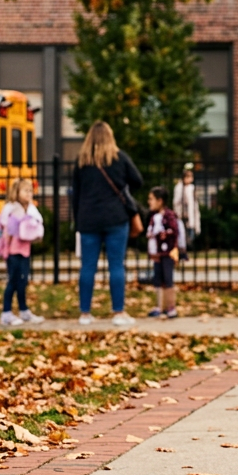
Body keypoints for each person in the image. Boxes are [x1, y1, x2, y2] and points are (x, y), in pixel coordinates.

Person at [71, 121, 144, 327]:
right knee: (116, 265)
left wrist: (78, 220)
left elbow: (75, 195)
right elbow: (138, 180)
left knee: (87, 267)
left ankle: (85, 313)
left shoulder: (81, 161)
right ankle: (118, 312)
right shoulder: (119, 158)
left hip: (88, 220)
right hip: (116, 218)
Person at [0, 178, 45, 326]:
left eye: (31, 191)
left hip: (25, 251)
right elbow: (7, 231)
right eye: (25, 190)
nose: (29, 194)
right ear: (16, 192)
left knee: (23, 282)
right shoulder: (11, 210)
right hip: (12, 251)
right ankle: (6, 313)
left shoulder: (31, 209)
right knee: (13, 281)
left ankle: (24, 310)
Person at [145, 186, 181, 319]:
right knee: (158, 280)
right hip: (157, 254)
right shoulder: (154, 217)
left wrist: (162, 235)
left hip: (167, 253)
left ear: (160, 201)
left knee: (168, 279)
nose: (149, 202)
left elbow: (174, 232)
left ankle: (171, 306)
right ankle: (159, 306)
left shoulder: (169, 215)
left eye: (151, 199)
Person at [173, 166, 201, 255]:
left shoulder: (192, 188)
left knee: (190, 234)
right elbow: (176, 202)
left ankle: (187, 250)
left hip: (191, 215)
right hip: (182, 215)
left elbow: (194, 203)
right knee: (182, 235)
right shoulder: (179, 188)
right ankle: (182, 251)